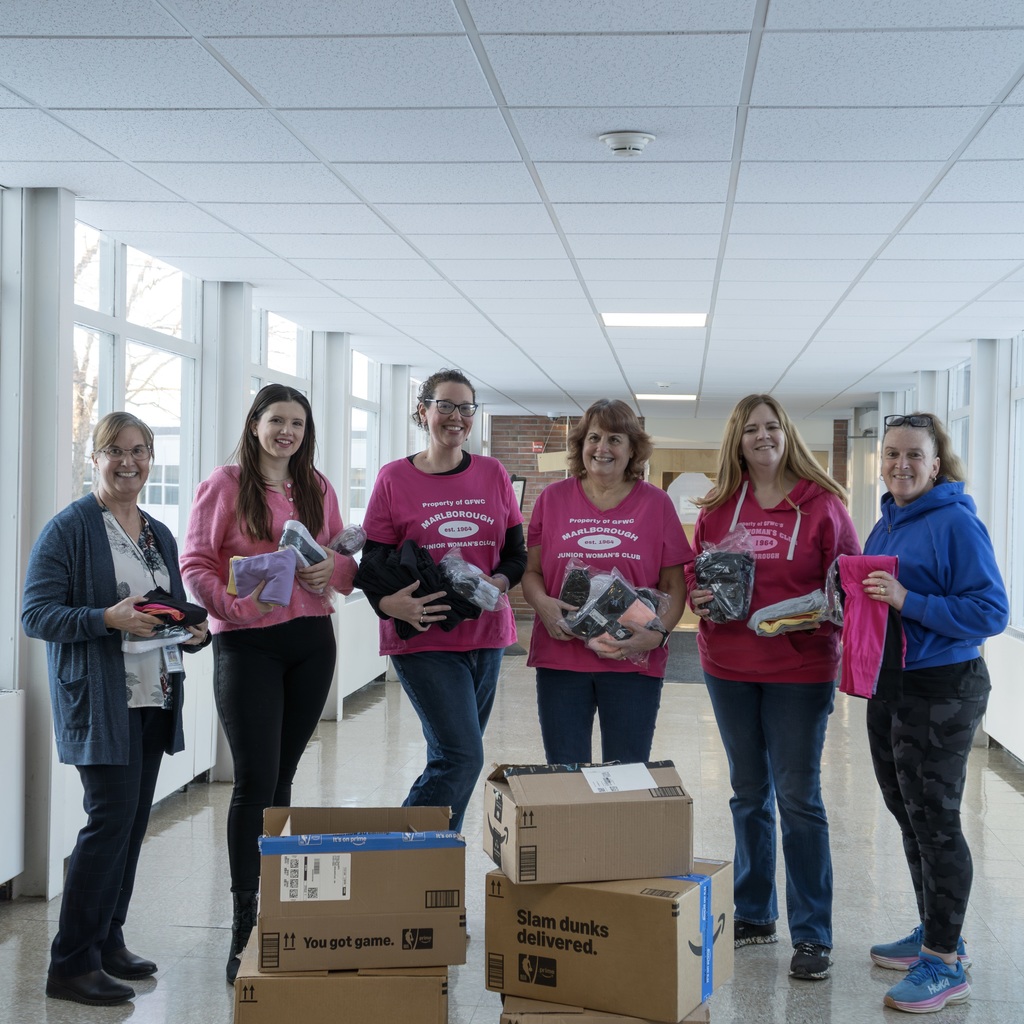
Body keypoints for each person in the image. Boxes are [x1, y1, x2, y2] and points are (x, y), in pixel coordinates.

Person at [22, 413, 210, 1007]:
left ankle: (108, 941)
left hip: (154, 693)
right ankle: (70, 963)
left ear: (151, 458)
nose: (128, 462)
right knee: (107, 824)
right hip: (103, 700)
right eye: (115, 452)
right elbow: (35, 615)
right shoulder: (70, 530)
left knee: (130, 824)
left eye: (140, 451)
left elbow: (165, 606)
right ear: (95, 458)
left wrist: (190, 631)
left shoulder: (157, 532)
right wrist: (106, 618)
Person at [180, 384, 357, 983]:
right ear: (255, 423)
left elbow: (344, 563)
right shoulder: (225, 485)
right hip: (247, 643)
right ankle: (242, 926)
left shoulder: (317, 486)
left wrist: (329, 567)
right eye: (277, 420)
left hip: (311, 643)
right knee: (254, 781)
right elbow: (195, 563)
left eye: (298, 424)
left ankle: (275, 912)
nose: (288, 432)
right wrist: (229, 605)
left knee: (282, 778)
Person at [687, 394, 860, 982]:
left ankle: (812, 933)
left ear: (787, 434)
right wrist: (698, 596)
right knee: (747, 791)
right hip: (727, 664)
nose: (763, 437)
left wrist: (821, 608)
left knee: (798, 797)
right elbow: (696, 575)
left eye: (772, 427)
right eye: (751, 429)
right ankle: (755, 911)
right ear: (737, 440)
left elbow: (852, 583)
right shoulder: (716, 509)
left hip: (801, 668)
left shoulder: (824, 505)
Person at [859, 412, 1008, 1014]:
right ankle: (934, 930)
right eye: (892, 454)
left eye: (913, 455)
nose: (900, 464)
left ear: (936, 463)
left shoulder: (954, 522)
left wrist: (908, 600)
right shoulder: (886, 522)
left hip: (943, 685)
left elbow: (990, 612)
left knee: (937, 821)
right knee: (909, 813)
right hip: (889, 682)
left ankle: (945, 962)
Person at [360, 368, 525, 834]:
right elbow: (371, 562)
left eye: (466, 407)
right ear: (423, 411)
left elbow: (516, 555)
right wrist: (390, 606)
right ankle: (397, 858)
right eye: (445, 406)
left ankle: (433, 863)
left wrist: (496, 582)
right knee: (462, 755)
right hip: (423, 638)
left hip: (487, 636)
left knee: (455, 759)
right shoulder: (394, 478)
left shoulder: (492, 474)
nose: (456, 416)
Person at [521, 399, 689, 764]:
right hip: (561, 659)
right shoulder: (552, 499)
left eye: (615, 439)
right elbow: (531, 571)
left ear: (632, 450)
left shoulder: (657, 504)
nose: (602, 448)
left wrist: (658, 634)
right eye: (593, 438)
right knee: (566, 773)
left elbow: (675, 584)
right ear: (580, 446)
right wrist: (542, 605)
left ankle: (620, 825)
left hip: (631, 660)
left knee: (628, 772)